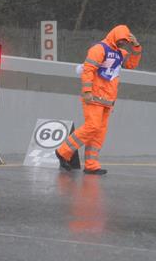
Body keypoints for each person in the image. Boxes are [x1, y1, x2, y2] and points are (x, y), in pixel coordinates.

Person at [55, 24, 142, 175]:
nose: (123, 43)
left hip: (107, 100)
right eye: (122, 40)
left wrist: (136, 47)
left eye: (125, 41)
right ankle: (63, 152)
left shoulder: (121, 53)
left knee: (98, 134)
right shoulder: (99, 49)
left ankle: (91, 164)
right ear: (115, 37)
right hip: (94, 97)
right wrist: (87, 91)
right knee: (92, 127)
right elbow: (88, 70)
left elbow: (131, 64)